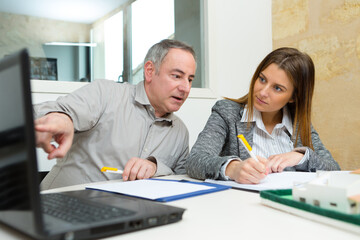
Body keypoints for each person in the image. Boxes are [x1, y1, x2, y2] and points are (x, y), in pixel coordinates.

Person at [35, 39, 196, 190]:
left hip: (127, 214)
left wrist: (155, 167)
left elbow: (180, 182)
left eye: (189, 79)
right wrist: (62, 118)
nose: (186, 88)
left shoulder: (180, 132)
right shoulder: (106, 94)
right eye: (177, 76)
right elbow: (47, 112)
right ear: (149, 71)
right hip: (60, 208)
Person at [186, 47, 340, 184]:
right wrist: (233, 168)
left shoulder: (298, 124)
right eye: (262, 79)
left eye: (277, 88)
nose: (263, 92)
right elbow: (195, 160)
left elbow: (334, 169)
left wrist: (302, 157)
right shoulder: (227, 113)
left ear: (293, 97)